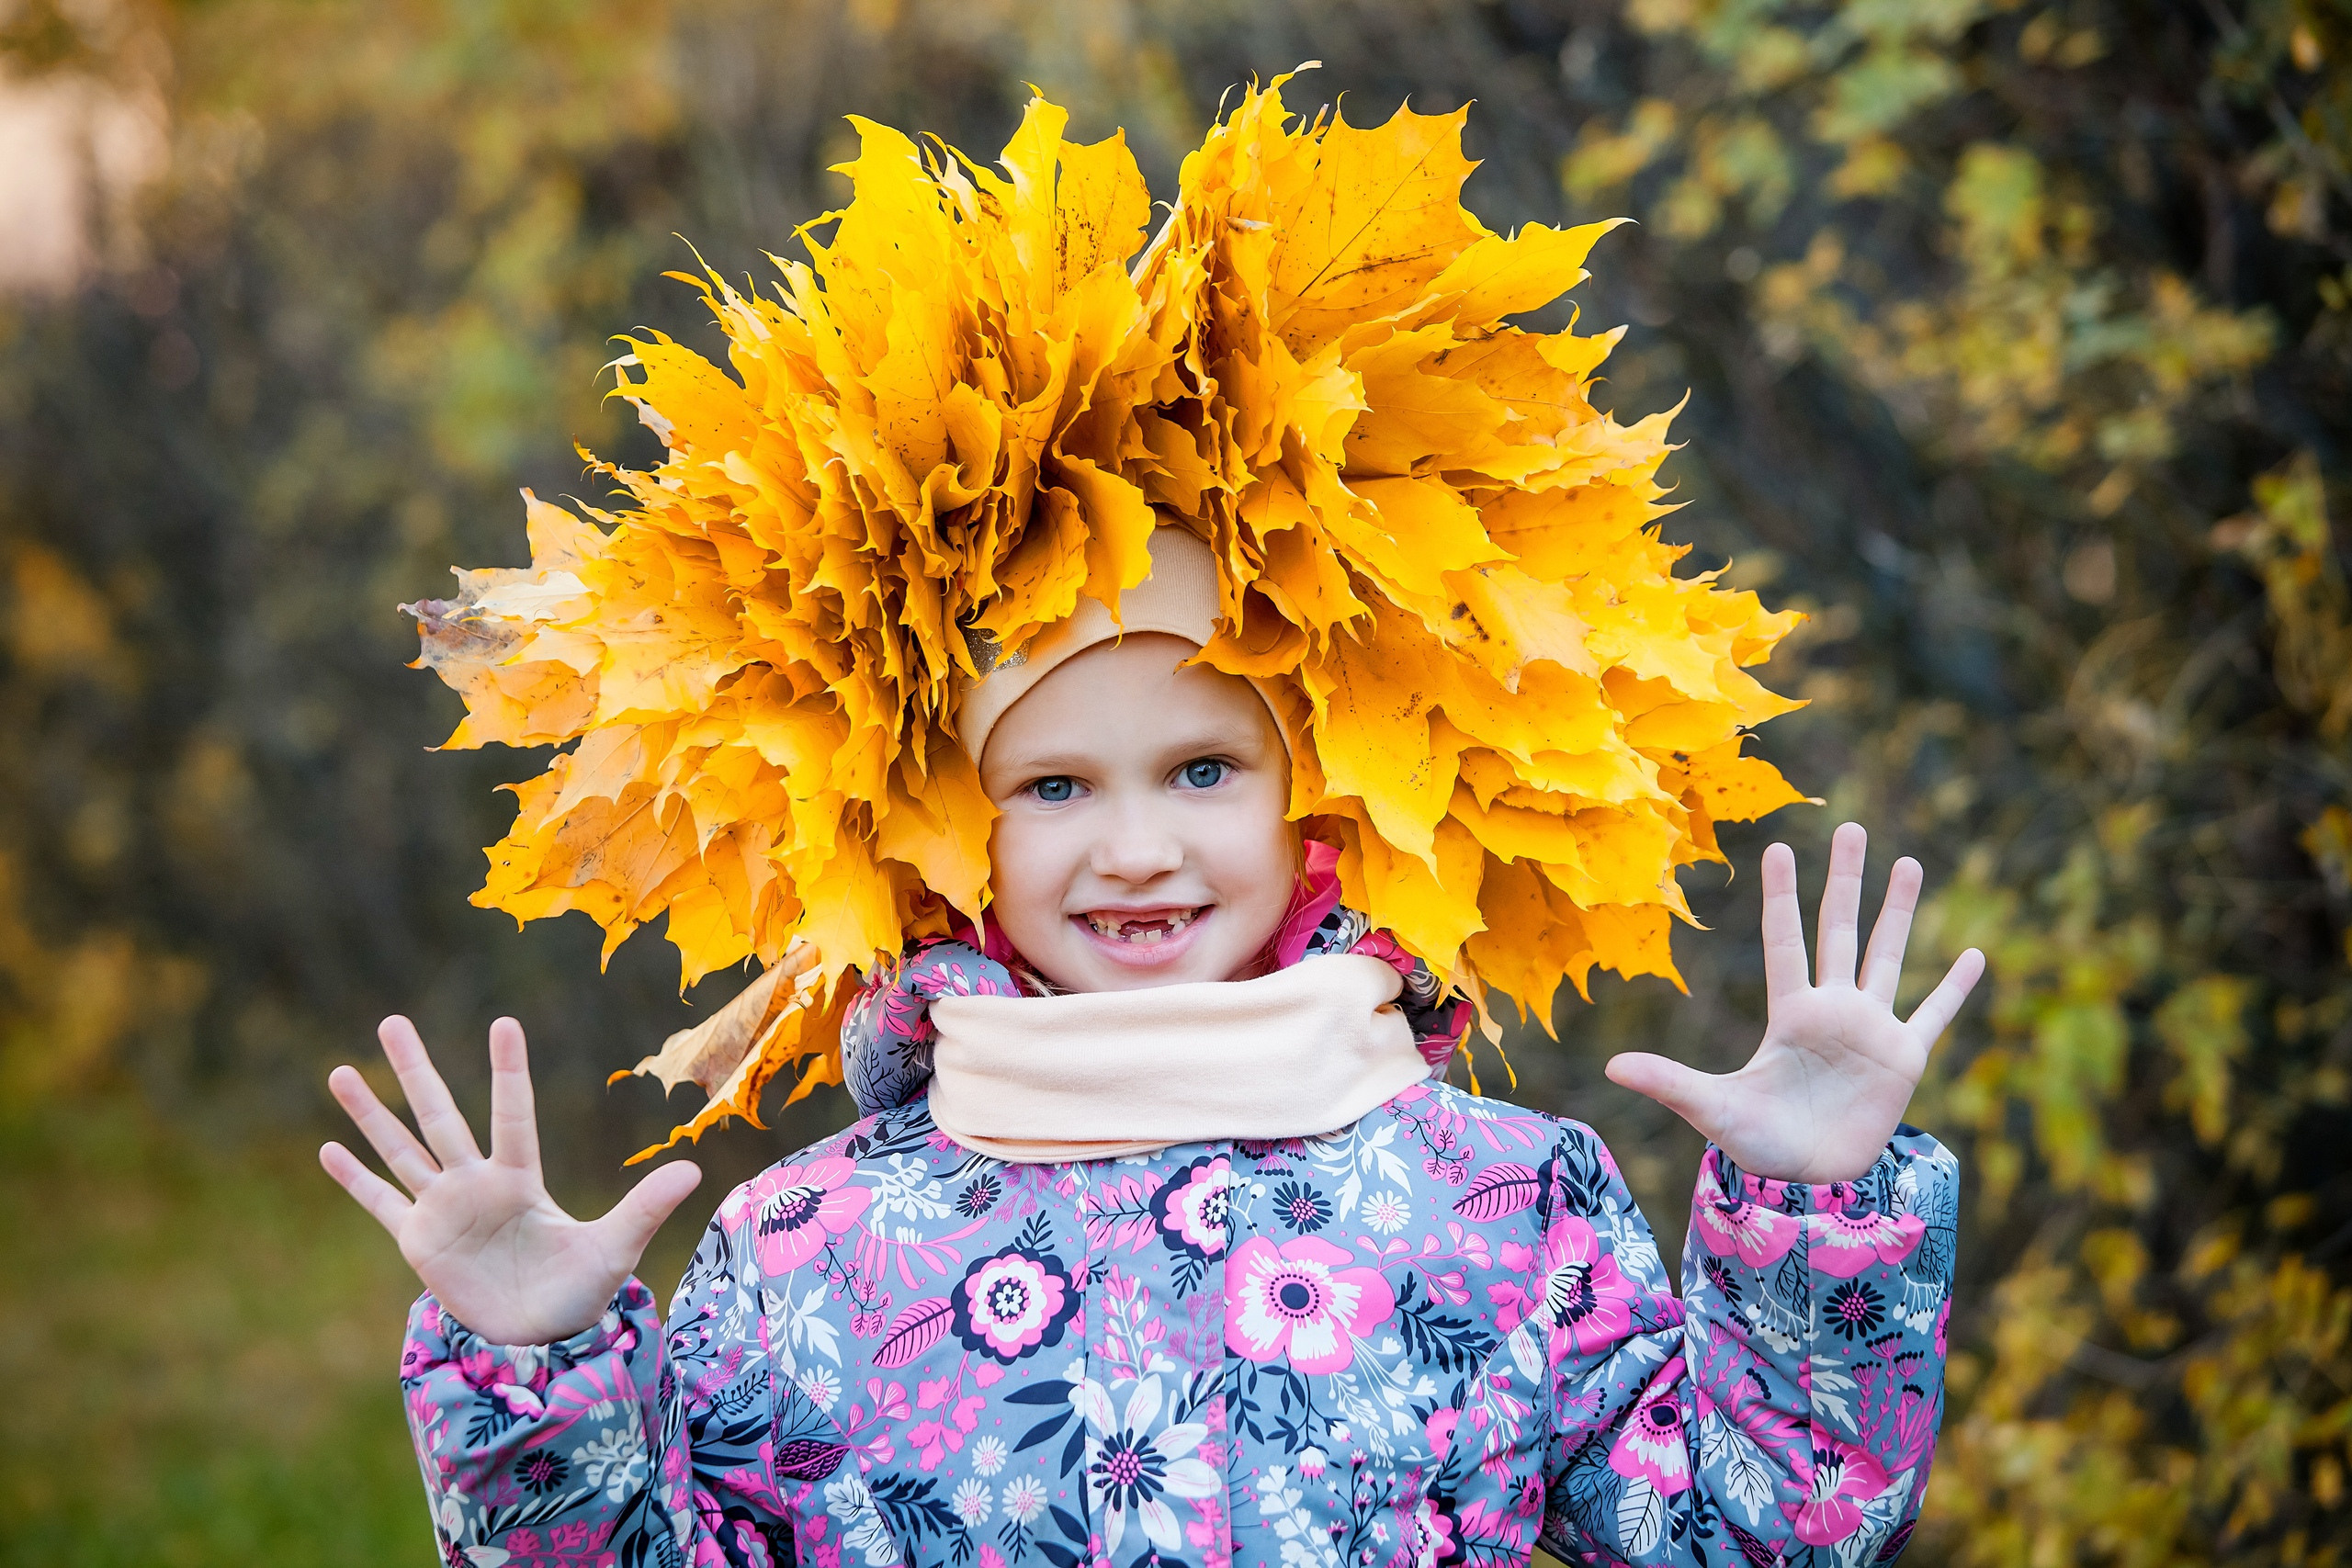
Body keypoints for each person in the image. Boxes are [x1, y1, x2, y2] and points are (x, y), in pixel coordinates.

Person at [324, 82, 1984, 1568]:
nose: (1134, 849)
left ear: (1311, 800)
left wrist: (1815, 1228)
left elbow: (1752, 1534)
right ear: (942, 836)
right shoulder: (810, 1247)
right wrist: (533, 1378)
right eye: (1051, 788)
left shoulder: (1495, 1205)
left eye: (1202, 771)